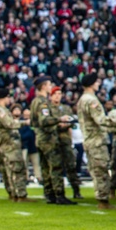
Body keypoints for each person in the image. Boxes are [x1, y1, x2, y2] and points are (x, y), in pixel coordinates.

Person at [75, 73, 116, 210]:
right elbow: (101, 120)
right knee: (101, 170)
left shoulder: (82, 99)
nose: (98, 83)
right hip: (96, 140)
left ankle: (102, 198)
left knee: (97, 170)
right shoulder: (91, 100)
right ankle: (103, 200)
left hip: (89, 139)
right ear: (91, 84)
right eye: (96, 81)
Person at [30, 76, 75, 205]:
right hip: (48, 139)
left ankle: (49, 194)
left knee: (45, 168)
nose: (51, 87)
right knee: (55, 167)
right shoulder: (43, 102)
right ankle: (59, 194)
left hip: (40, 138)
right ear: (44, 86)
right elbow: (44, 121)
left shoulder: (35, 101)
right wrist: (59, 119)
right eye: (49, 85)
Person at [0, 88, 32, 202]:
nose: (10, 99)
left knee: (11, 170)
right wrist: (25, 122)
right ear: (4, 98)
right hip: (9, 144)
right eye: (8, 97)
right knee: (17, 169)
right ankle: (21, 195)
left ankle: (15, 194)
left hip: (5, 143)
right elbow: (10, 124)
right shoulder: (1, 111)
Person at [50, 86, 83, 199]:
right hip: (54, 140)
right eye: (55, 94)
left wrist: (66, 125)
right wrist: (59, 123)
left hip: (65, 139)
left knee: (71, 165)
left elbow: (71, 122)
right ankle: (57, 191)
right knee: (56, 167)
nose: (58, 96)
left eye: (59, 93)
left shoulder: (66, 108)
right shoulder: (48, 108)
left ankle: (76, 190)